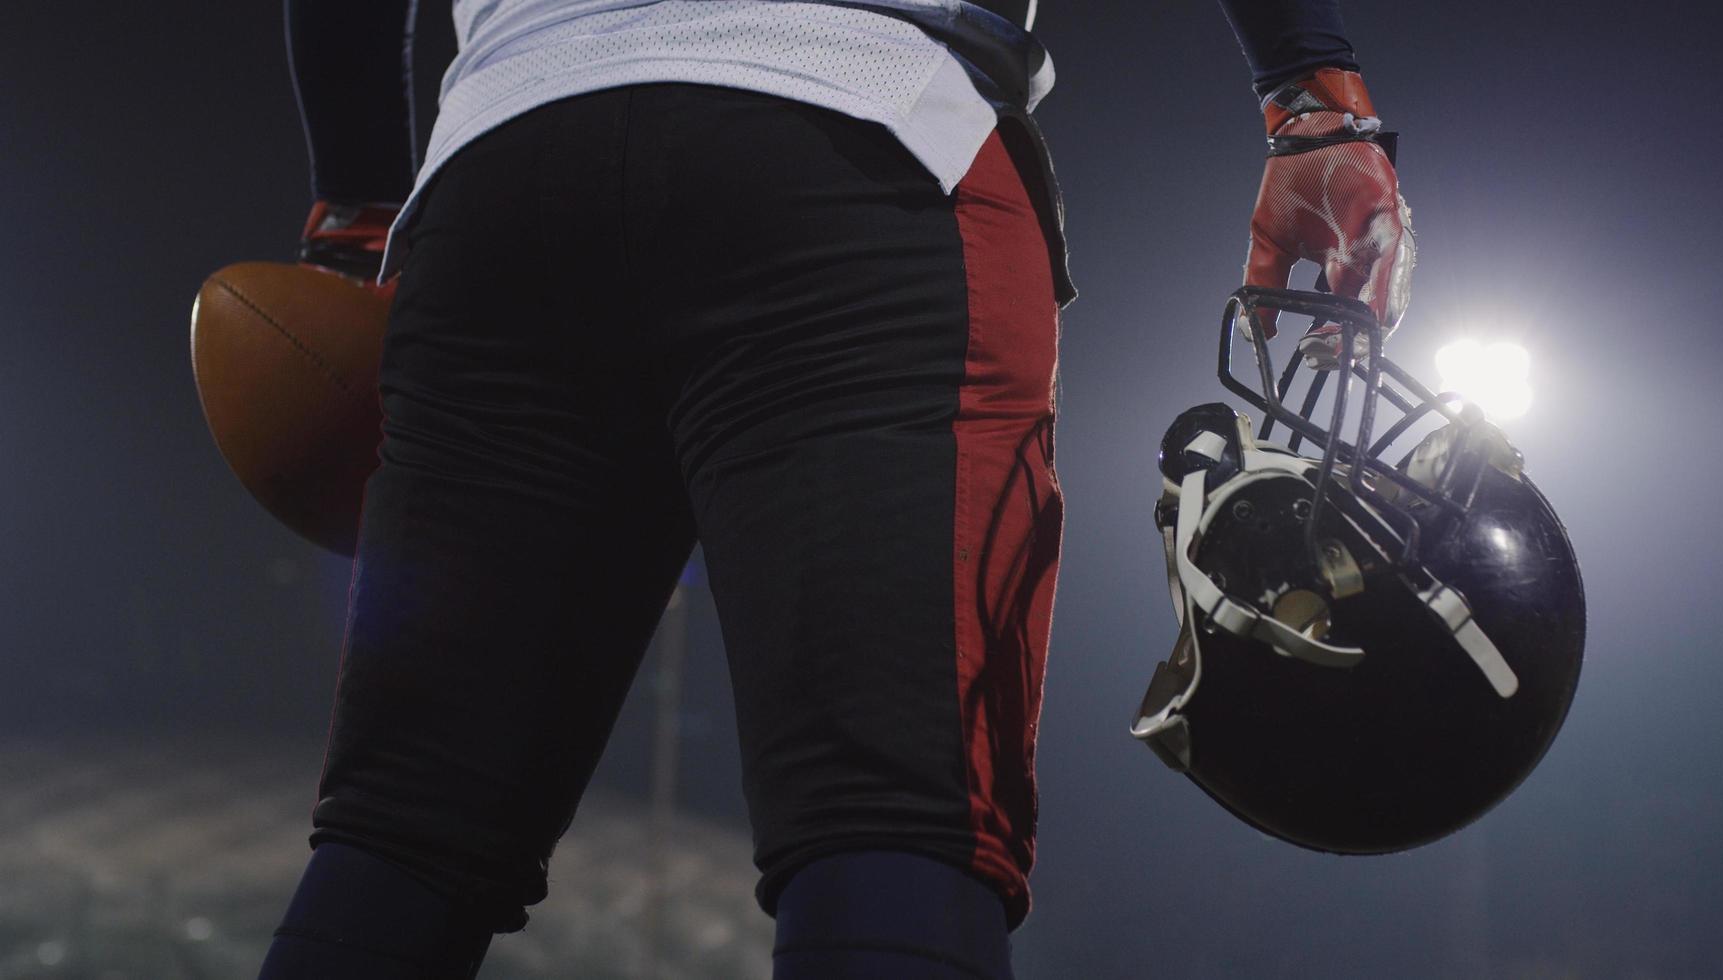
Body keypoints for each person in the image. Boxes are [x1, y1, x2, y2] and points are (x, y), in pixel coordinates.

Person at [257, 2, 1410, 977]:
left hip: (507, 162)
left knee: (402, 834)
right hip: (861, 121)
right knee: (893, 819)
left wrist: (357, 217)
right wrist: (1310, 87)